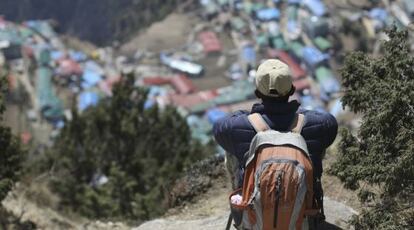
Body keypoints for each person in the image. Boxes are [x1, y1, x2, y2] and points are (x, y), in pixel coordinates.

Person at [213, 59, 338, 215]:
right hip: (304, 218)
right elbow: (328, 120)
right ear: (292, 90)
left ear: (257, 93)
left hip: (255, 217)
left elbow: (218, 126)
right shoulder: (321, 124)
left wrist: (252, 115)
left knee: (231, 151)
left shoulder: (235, 127)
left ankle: (245, 202)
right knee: (317, 148)